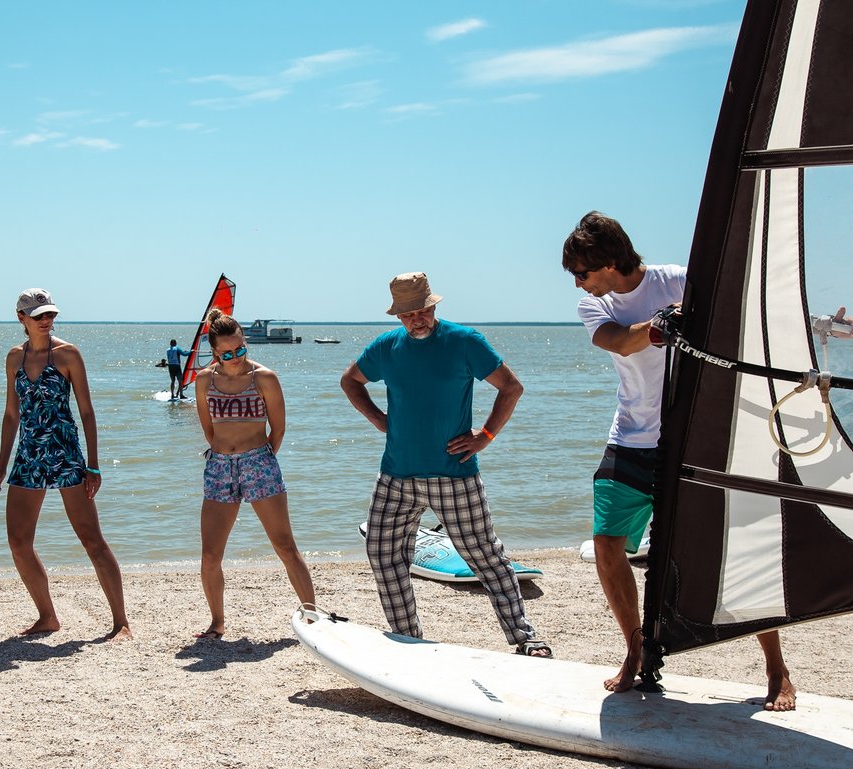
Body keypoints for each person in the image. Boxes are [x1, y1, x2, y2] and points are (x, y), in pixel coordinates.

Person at [564, 210, 797, 709]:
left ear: (608, 261)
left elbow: (743, 313)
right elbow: (618, 342)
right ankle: (637, 649)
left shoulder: (674, 281)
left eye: (582, 272)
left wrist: (817, 327)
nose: (577, 283)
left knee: (735, 549)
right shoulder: (595, 305)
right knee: (607, 546)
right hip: (630, 438)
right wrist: (658, 325)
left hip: (694, 440)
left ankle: (776, 668)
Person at [340, 273, 551, 657]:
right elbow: (350, 381)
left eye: (422, 311)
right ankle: (408, 638)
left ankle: (526, 639)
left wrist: (485, 436)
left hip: (453, 474)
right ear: (397, 316)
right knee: (382, 554)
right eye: (407, 314)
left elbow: (511, 386)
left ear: (434, 307)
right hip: (395, 475)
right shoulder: (386, 347)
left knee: (484, 556)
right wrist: (379, 420)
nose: (416, 319)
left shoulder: (464, 341)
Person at [0, 288, 131, 638]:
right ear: (21, 318)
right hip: (28, 456)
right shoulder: (13, 358)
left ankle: (120, 622)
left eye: (50, 314)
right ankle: (47, 616)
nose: (47, 321)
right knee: (18, 542)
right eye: (39, 316)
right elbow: (11, 415)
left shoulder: (67, 355)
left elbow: (86, 411)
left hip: (66, 454)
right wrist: (1, 466)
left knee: (91, 539)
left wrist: (93, 464)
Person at [193, 308, 315, 639]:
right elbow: (208, 427)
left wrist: (258, 457)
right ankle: (217, 623)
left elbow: (278, 428)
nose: (235, 358)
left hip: (259, 462)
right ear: (215, 352)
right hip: (219, 466)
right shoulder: (204, 380)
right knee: (210, 554)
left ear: (246, 342)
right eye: (227, 353)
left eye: (240, 349)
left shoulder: (265, 378)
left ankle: (313, 618)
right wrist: (224, 452)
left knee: (285, 545)